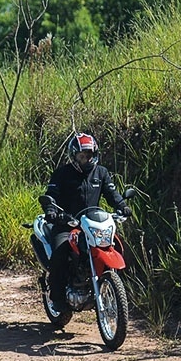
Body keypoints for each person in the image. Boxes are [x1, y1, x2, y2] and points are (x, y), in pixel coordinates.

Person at [40, 132, 132, 313]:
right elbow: (51, 195)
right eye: (82, 156)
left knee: (116, 246)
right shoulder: (62, 174)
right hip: (67, 223)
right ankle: (57, 298)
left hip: (91, 224)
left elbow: (112, 195)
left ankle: (110, 285)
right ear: (74, 156)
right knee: (59, 253)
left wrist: (123, 206)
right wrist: (51, 211)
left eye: (89, 156)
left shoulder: (101, 173)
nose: (86, 160)